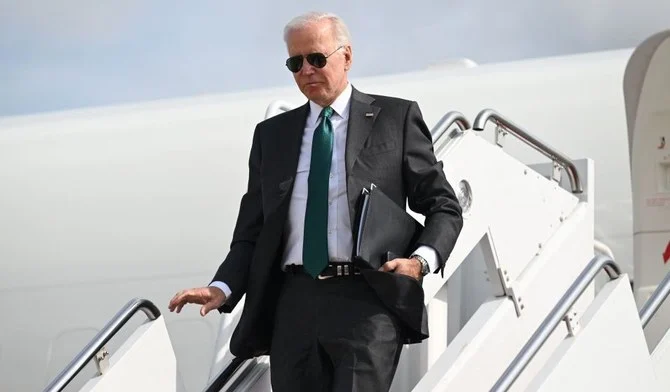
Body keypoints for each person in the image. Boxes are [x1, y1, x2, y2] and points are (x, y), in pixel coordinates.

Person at [168, 11, 463, 392]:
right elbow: (253, 230)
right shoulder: (272, 136)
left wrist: (421, 262)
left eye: (317, 59)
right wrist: (222, 286)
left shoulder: (395, 117)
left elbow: (443, 204)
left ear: (347, 57)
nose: (306, 70)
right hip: (294, 303)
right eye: (296, 62)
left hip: (367, 299)